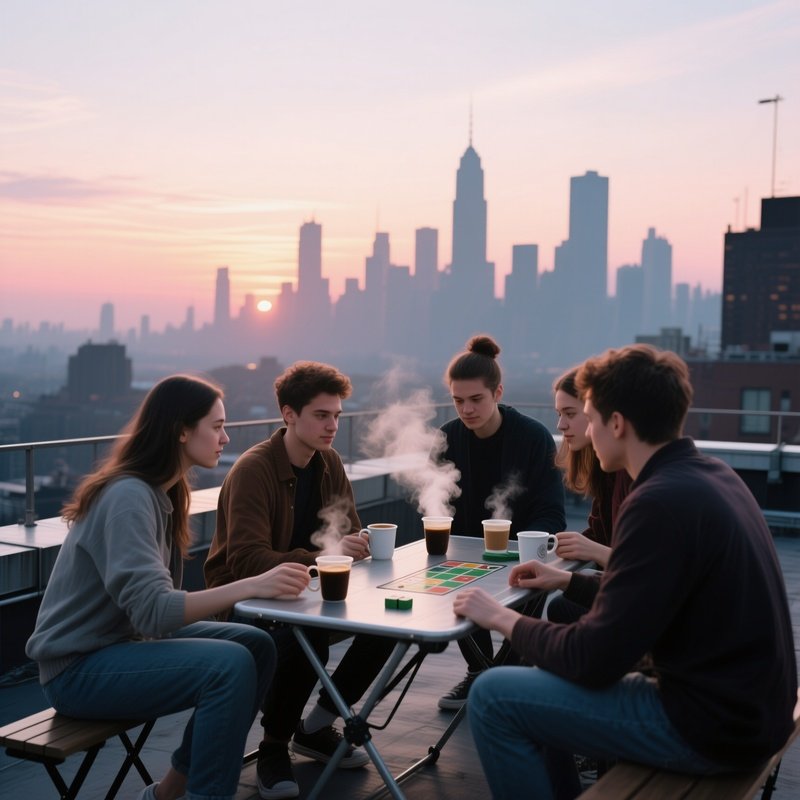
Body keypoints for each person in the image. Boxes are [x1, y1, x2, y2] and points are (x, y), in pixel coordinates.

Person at [452, 344, 798, 799]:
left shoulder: (656, 503)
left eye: (590, 418)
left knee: (494, 696)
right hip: (754, 709)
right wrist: (570, 580)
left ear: (617, 424)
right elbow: (648, 601)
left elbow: (593, 658)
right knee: (543, 676)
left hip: (713, 727)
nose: (585, 432)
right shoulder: (712, 475)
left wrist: (502, 618)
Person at [26, 375, 311, 800]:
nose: (225, 437)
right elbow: (155, 613)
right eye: (216, 426)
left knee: (256, 646)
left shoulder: (163, 492)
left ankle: (166, 794)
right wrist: (254, 584)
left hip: (121, 645)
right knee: (228, 666)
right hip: (77, 671)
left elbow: (151, 617)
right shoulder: (129, 497)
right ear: (181, 429)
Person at [204, 361, 395, 800]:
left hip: (308, 591)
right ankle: (274, 746)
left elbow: (347, 533)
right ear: (289, 415)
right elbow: (246, 561)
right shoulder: (254, 469)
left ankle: (315, 727)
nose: (332, 426)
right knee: (303, 634)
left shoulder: (328, 462)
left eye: (337, 416)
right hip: (245, 599)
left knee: (389, 621)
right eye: (321, 416)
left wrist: (359, 543)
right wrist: (325, 555)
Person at [436, 334, 566, 710]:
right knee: (448, 581)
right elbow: (436, 503)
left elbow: (551, 508)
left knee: (533, 578)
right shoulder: (447, 438)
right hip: (464, 549)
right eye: (458, 400)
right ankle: (484, 674)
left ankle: (499, 675)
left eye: (476, 399)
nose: (467, 409)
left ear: (498, 392)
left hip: (522, 550)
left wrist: (529, 545)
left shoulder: (533, 437)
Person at [548, 367, 632, 624]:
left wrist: (592, 550)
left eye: (571, 414)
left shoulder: (640, 479)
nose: (561, 425)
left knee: (560, 607)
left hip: (637, 609)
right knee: (560, 605)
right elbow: (598, 532)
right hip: (624, 593)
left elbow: (645, 573)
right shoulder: (607, 469)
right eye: (559, 415)